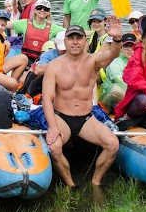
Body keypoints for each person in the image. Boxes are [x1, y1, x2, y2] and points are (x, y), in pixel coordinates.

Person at [42, 20, 124, 187]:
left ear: (85, 41)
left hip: (87, 119)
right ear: (64, 42)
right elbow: (47, 99)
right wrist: (52, 126)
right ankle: (70, 184)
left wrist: (116, 39)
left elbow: (112, 55)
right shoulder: (53, 66)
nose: (75, 42)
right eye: (71, 38)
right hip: (62, 118)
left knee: (112, 144)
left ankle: (96, 181)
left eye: (79, 38)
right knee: (55, 148)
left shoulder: (93, 61)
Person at [12, 0, 63, 64]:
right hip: (26, 59)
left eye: (46, 9)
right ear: (35, 10)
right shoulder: (25, 23)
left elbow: (68, 32)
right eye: (39, 8)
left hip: (42, 59)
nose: (42, 10)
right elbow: (5, 24)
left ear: (48, 12)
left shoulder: (52, 27)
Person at [99, 32, 138, 113]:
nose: (129, 49)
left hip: (132, 95)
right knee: (115, 89)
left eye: (132, 46)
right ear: (121, 48)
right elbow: (119, 80)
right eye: (126, 46)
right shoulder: (115, 61)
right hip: (112, 99)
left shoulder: (141, 60)